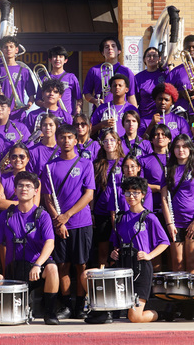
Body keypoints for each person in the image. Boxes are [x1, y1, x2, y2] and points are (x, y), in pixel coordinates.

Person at [86, 176, 168, 324]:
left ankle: (162, 314)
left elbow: (164, 242)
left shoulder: (149, 217)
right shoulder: (120, 218)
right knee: (87, 275)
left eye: (135, 192)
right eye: (128, 193)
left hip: (141, 268)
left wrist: (149, 255)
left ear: (143, 194)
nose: (131, 196)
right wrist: (114, 252)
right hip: (123, 267)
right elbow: (116, 242)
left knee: (135, 317)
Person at [0, 172, 60, 324]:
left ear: (35, 191)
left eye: (28, 186)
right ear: (14, 190)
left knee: (53, 269)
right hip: (15, 269)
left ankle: (50, 313)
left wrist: (38, 265)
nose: (24, 189)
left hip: (36, 268)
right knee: (11, 319)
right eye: (20, 186)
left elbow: (50, 243)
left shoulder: (42, 215)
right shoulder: (6, 215)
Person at [42, 125, 95, 318]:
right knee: (62, 266)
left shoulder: (85, 164)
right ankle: (66, 305)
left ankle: (81, 306)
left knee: (81, 265)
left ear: (76, 140)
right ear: (57, 140)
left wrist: (68, 215)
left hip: (81, 222)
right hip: (58, 225)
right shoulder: (50, 166)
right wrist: (58, 221)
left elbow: (88, 195)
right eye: (62, 137)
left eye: (70, 137)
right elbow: (47, 197)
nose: (66, 141)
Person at [160, 134, 194, 291]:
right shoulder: (168, 170)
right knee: (177, 264)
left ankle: (190, 303)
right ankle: (178, 301)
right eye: (177, 146)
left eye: (184, 146)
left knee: (191, 264)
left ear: (190, 148)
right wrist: (169, 224)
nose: (181, 150)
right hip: (175, 223)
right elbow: (164, 199)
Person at [91, 132, 126, 267]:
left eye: (112, 140)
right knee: (103, 251)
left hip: (121, 210)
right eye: (106, 141)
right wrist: (92, 211)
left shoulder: (124, 162)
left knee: (120, 248)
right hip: (102, 211)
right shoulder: (97, 164)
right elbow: (93, 191)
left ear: (118, 142)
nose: (109, 143)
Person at [0, 35, 35, 109]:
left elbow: (31, 95)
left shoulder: (24, 71)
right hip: (0, 111)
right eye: (5, 47)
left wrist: (29, 103)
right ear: (1, 50)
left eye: (11, 47)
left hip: (19, 113)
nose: (8, 49)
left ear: (16, 50)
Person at [84, 37, 137, 110]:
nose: (110, 48)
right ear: (102, 52)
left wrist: (135, 115)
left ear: (119, 51)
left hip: (121, 111)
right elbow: (87, 94)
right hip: (100, 110)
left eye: (113, 46)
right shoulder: (94, 70)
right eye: (106, 47)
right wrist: (96, 101)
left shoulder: (127, 71)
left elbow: (131, 96)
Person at [90, 74, 137, 139]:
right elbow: (89, 131)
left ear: (126, 89)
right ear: (111, 90)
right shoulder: (102, 108)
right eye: (115, 86)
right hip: (107, 145)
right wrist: (101, 125)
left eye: (120, 85)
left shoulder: (132, 109)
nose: (117, 87)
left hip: (127, 146)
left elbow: (138, 131)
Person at [132, 44, 167, 120]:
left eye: (154, 56)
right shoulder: (138, 77)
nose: (151, 58)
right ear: (144, 59)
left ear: (159, 59)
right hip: (145, 117)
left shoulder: (165, 74)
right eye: (148, 56)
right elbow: (134, 100)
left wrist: (169, 64)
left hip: (162, 117)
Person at [46, 46, 82, 118]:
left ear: (65, 60)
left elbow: (79, 98)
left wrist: (77, 111)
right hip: (49, 118)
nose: (58, 59)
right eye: (55, 56)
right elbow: (38, 100)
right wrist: (46, 104)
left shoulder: (71, 77)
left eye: (61, 56)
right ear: (50, 60)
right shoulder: (44, 78)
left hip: (67, 117)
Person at [0, 143, 30, 211]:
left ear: (28, 159)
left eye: (21, 157)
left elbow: (33, 206)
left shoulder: (35, 181)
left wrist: (6, 202)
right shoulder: (2, 179)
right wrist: (25, 203)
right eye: (14, 157)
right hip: (7, 219)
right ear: (9, 159)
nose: (18, 159)